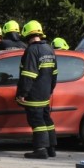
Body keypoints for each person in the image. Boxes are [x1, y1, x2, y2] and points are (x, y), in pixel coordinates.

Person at [15, 20, 58, 159]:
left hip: (34, 93)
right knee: (46, 119)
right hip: (45, 93)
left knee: (37, 121)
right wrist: (50, 89)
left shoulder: (32, 50)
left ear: (27, 34)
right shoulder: (49, 49)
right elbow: (54, 73)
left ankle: (40, 149)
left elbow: (28, 74)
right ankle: (51, 148)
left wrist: (22, 93)